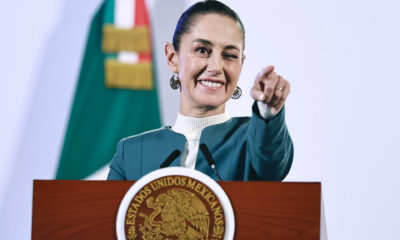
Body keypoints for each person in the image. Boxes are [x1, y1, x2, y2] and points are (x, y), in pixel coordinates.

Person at [107, 0, 293, 181]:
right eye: (202, 50)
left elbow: (271, 165)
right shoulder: (131, 153)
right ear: (172, 58)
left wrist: (268, 111)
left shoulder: (254, 141)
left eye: (230, 55)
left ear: (241, 65)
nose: (216, 67)